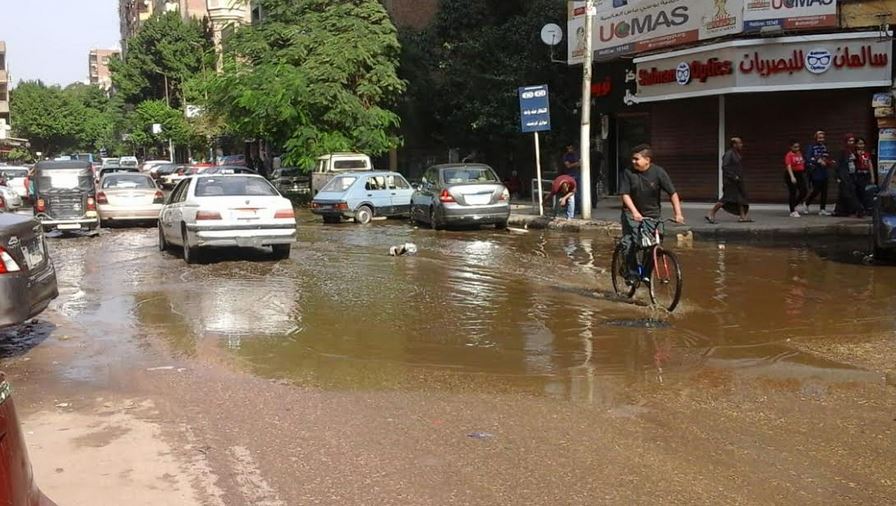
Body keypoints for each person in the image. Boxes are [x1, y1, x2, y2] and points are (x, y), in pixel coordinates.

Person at [619, 144, 684, 284]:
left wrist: (678, 214)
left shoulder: (659, 172)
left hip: (653, 215)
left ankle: (647, 274)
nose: (633, 161)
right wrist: (635, 212)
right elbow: (625, 194)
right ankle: (631, 272)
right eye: (632, 159)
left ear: (647, 160)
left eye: (637, 159)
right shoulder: (628, 173)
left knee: (655, 244)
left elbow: (673, 193)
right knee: (631, 242)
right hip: (632, 213)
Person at [706, 136, 751, 223]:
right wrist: (734, 176)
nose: (741, 145)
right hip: (730, 182)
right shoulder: (729, 154)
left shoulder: (736, 154)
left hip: (737, 182)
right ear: (734, 144)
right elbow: (725, 167)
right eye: (739, 143)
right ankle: (711, 213)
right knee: (726, 198)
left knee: (741, 198)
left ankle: (743, 217)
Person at [834, 134, 862, 217]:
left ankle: (840, 211)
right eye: (849, 141)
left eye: (852, 141)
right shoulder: (843, 151)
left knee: (844, 194)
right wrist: (838, 176)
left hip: (852, 175)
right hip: (844, 176)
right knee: (847, 193)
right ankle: (858, 209)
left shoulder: (853, 151)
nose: (851, 142)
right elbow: (838, 165)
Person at [805, 130, 833, 216]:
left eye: (823, 138)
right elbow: (808, 158)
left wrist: (829, 162)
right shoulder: (811, 147)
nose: (821, 139)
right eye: (819, 138)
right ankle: (807, 203)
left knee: (825, 191)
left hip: (824, 172)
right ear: (816, 138)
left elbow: (826, 157)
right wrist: (817, 161)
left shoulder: (824, 147)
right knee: (816, 190)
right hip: (816, 172)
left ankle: (822, 209)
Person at [784, 140, 808, 217]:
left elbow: (802, 163)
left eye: (798, 147)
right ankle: (792, 211)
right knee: (793, 192)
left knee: (804, 191)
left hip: (799, 174)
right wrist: (792, 177)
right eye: (795, 147)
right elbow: (789, 166)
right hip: (791, 174)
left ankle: (794, 204)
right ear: (791, 147)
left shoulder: (799, 153)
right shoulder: (789, 155)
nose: (797, 148)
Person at [854, 137, 877, 213]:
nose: (861, 145)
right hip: (859, 174)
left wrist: (872, 176)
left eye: (862, 144)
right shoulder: (854, 154)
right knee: (860, 191)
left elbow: (870, 165)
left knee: (868, 191)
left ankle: (867, 207)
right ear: (856, 144)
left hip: (866, 174)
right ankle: (860, 208)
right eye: (859, 144)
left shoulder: (866, 154)